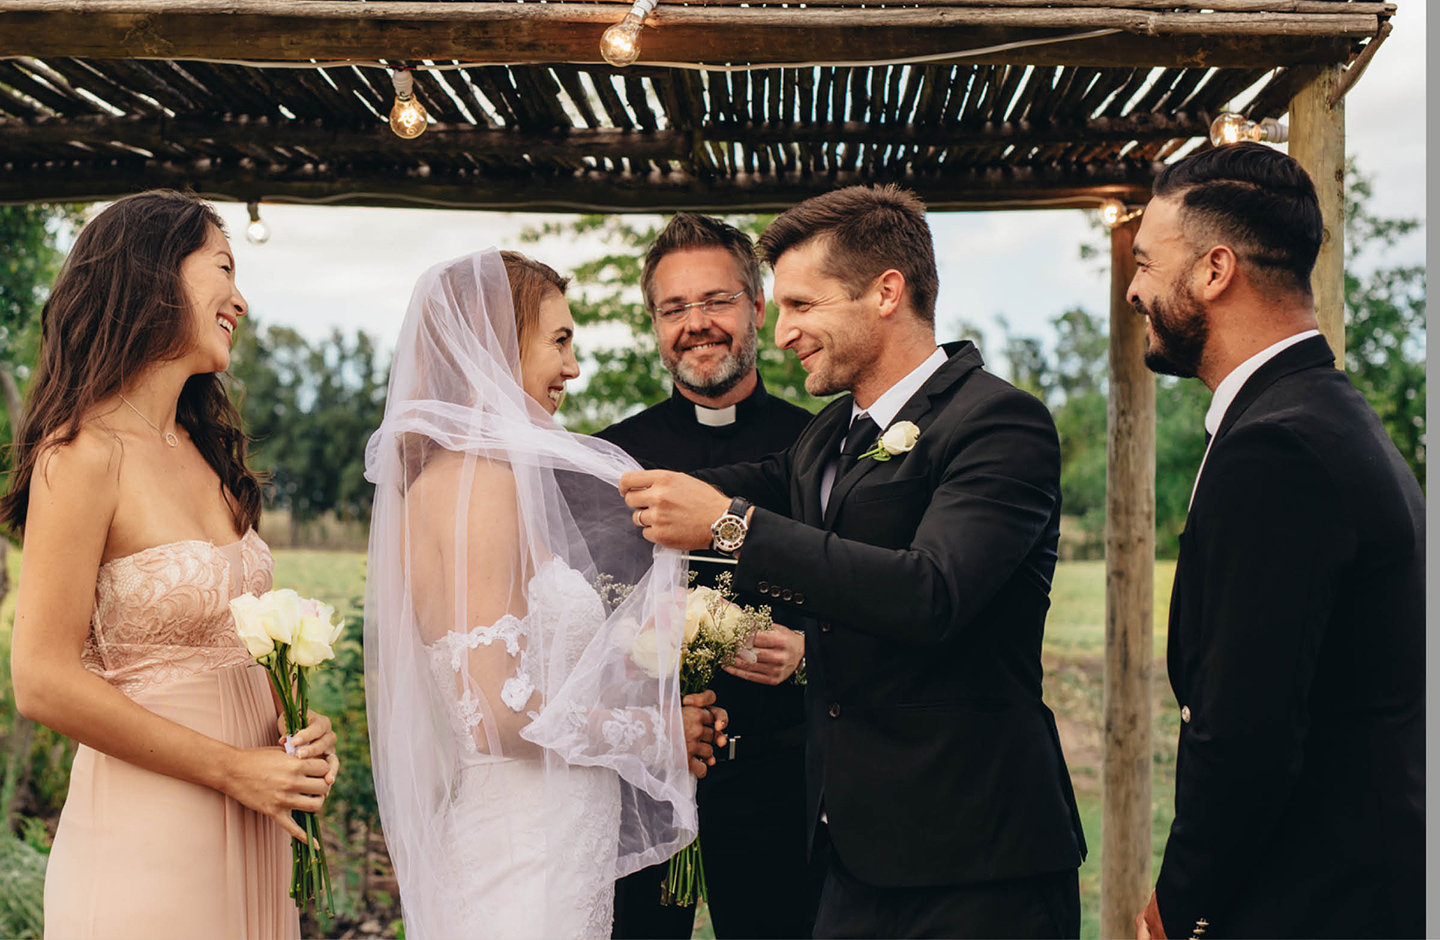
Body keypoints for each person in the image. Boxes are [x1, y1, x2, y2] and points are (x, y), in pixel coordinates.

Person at [618, 185, 1087, 938]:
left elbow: (931, 592)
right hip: (852, 859)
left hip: (972, 856)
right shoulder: (830, 431)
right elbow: (730, 488)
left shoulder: (998, 421)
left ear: (885, 293)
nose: (783, 334)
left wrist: (730, 529)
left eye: (803, 307)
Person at [364, 249, 728, 940]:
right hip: (524, 850)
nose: (573, 368)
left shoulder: (466, 479)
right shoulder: (478, 486)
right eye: (559, 342)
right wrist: (657, 734)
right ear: (497, 349)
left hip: (553, 838)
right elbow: (501, 714)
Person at [4, 190, 339, 939]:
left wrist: (296, 734)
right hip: (149, 838)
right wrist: (231, 767)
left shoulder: (206, 454)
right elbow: (41, 680)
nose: (241, 301)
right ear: (154, 273)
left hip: (257, 827)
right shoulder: (81, 456)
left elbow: (231, 649)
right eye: (223, 267)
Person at [1127, 144, 1424, 940]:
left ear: (1214, 271)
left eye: (1148, 263)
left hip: (1315, 901)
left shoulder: (1278, 449)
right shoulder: (1326, 415)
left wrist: (1181, 908)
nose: (1133, 289)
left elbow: (1246, 731)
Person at [597, 214, 818, 939]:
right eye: (674, 308)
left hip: (781, 788)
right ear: (655, 324)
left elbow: (858, 590)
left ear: (758, 308)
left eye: (716, 301)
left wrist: (807, 648)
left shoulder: (817, 446)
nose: (697, 324)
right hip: (640, 790)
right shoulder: (610, 459)